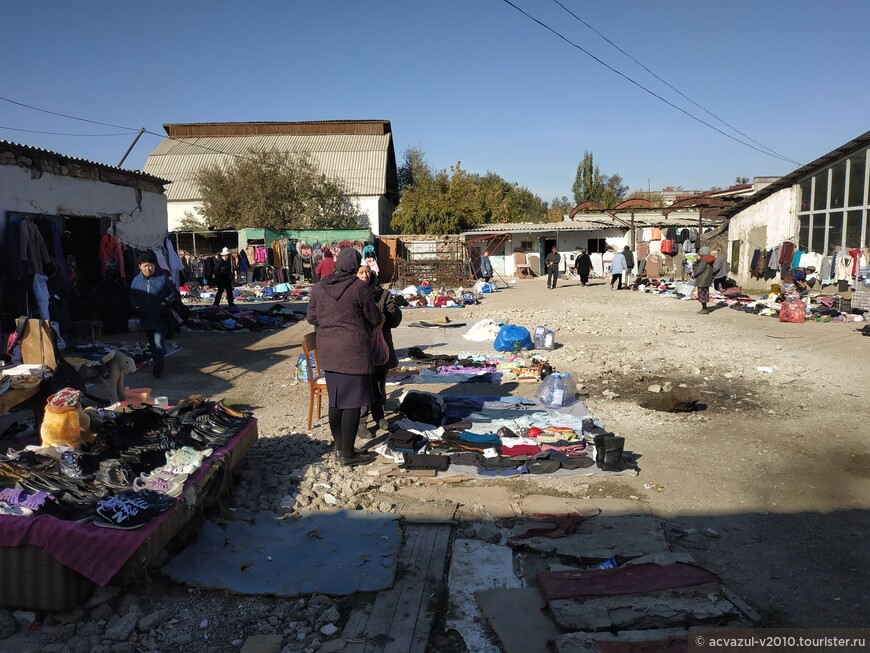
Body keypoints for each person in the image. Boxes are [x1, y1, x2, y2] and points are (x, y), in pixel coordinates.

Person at [307, 248, 383, 467]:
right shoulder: (360, 288)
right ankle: (347, 454)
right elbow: (374, 317)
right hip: (353, 350)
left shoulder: (319, 288)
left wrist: (330, 321)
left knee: (337, 401)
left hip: (328, 350)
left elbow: (311, 317)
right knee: (353, 403)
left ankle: (340, 448)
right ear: (354, 265)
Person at [357, 266, 402, 437]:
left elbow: (395, 318)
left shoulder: (383, 294)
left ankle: (379, 416)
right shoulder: (352, 293)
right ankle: (361, 421)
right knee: (362, 385)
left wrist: (385, 318)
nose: (365, 275)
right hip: (359, 347)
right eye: (360, 272)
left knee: (378, 383)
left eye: (367, 271)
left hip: (380, 346)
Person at [130, 251, 177, 379]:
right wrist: (136, 306)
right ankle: (157, 362)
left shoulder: (162, 277)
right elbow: (132, 295)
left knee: (159, 342)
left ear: (155, 266)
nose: (148, 268)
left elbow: (172, 292)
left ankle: (158, 368)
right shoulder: (136, 280)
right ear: (140, 266)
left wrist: (165, 302)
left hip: (160, 317)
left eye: (150, 265)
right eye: (145, 265)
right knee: (152, 343)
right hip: (145, 317)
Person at [692, 247, 716, 314]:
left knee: (702, 294)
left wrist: (696, 262)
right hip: (706, 279)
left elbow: (699, 270)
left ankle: (704, 309)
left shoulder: (704, 260)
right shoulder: (709, 259)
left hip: (702, 279)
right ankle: (704, 308)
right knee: (704, 294)